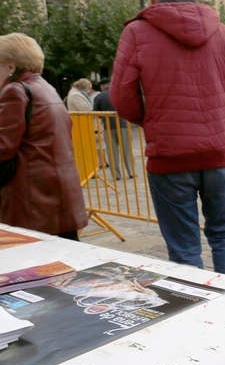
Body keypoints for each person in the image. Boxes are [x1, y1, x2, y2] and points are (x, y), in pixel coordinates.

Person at [111, 0, 225, 277]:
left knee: (184, 248)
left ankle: (197, 313)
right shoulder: (224, 32)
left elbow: (122, 96)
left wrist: (151, 120)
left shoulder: (137, 32)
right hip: (220, 154)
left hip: (170, 156)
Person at [0, 33, 88, 240]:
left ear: (11, 67)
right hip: (57, 195)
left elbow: (2, 147)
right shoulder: (46, 88)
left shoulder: (15, 91)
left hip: (32, 199)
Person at [93, 78, 134, 180]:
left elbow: (95, 113)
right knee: (126, 150)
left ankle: (116, 175)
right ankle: (131, 172)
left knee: (112, 152)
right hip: (123, 124)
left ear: (102, 86)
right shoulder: (120, 93)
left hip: (108, 127)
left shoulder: (99, 96)